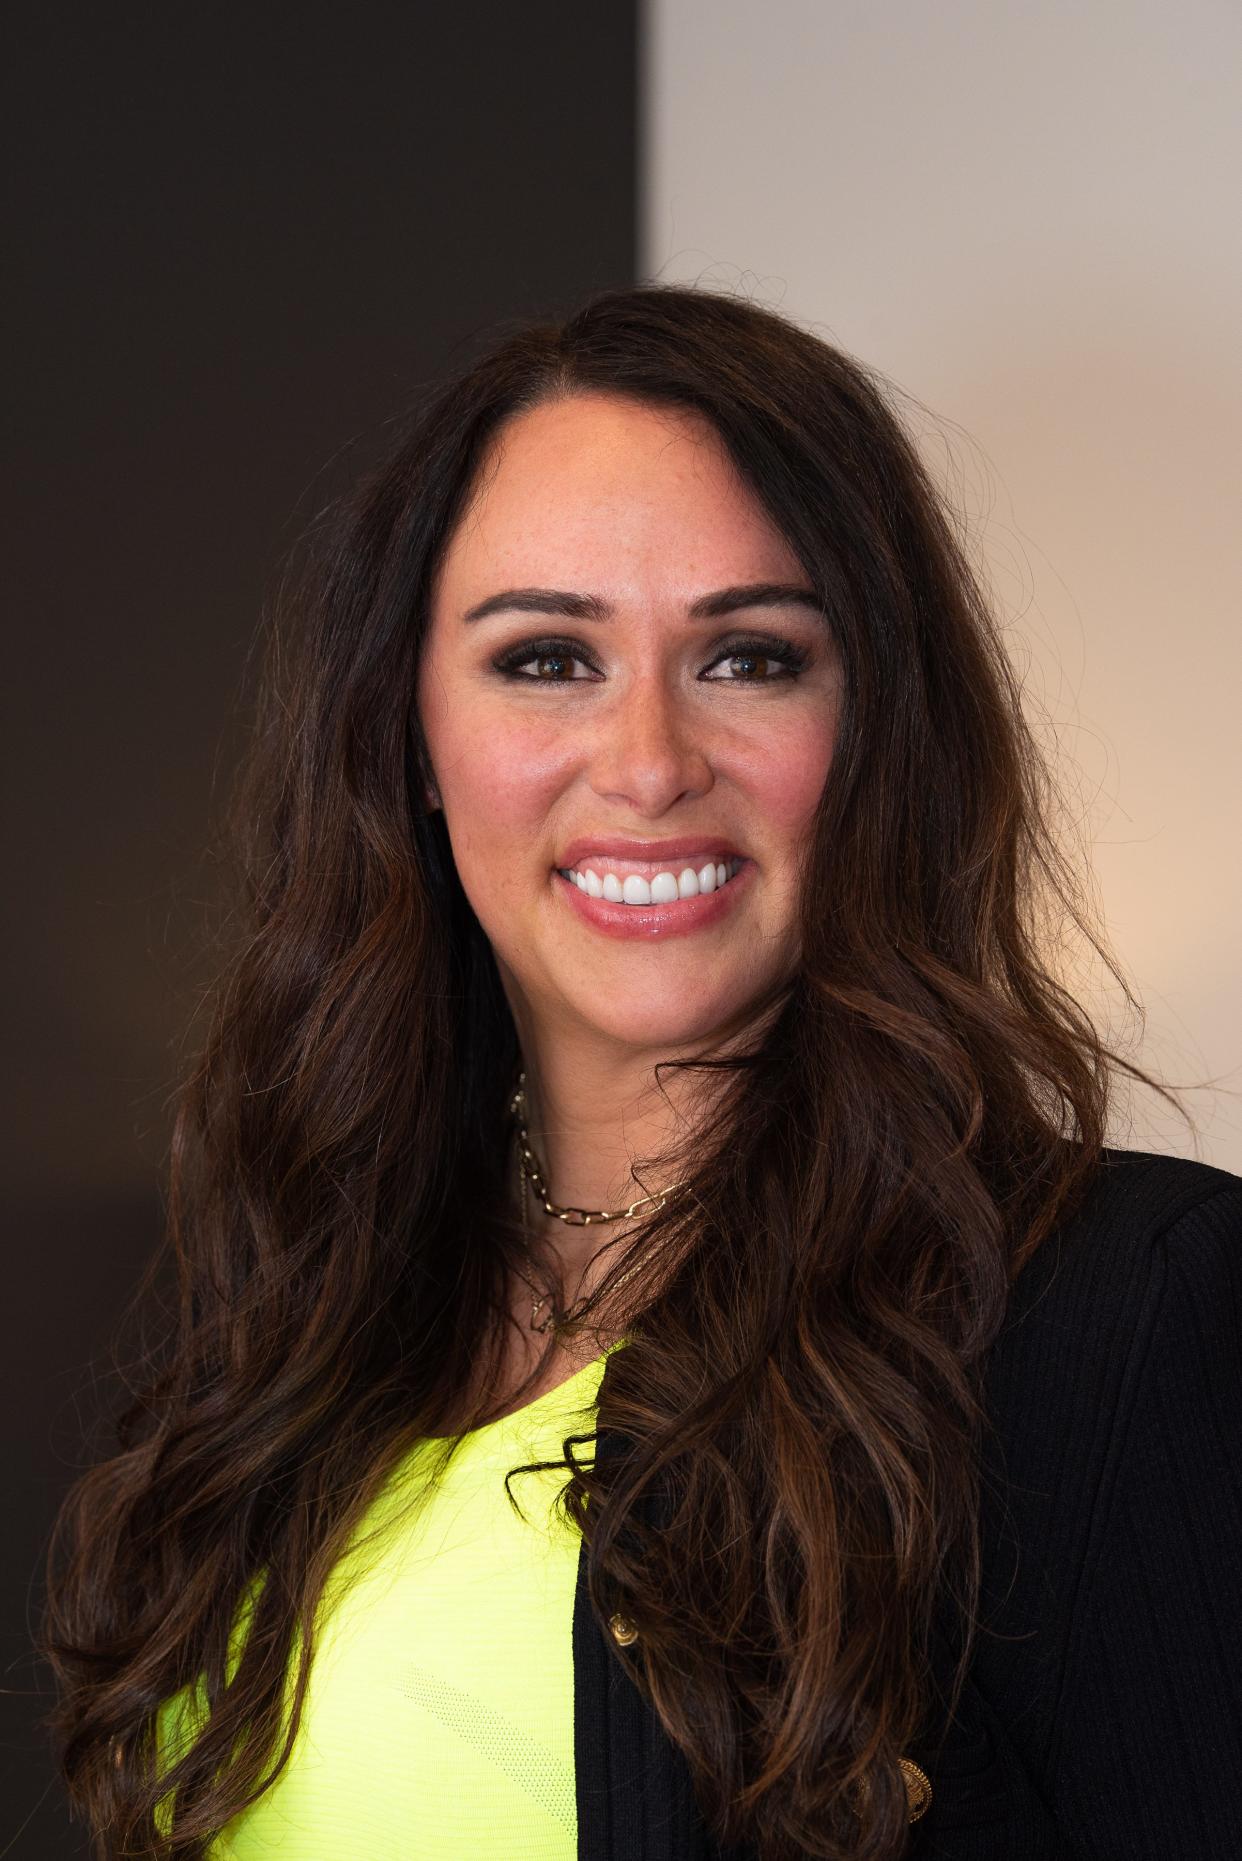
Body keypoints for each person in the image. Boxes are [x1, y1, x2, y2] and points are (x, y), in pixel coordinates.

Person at [41, 283, 1242, 1861]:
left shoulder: (1113, 1311)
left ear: (877, 722)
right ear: (410, 737)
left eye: (747, 657)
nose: (651, 762)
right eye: (545, 658)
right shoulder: (299, 1312)